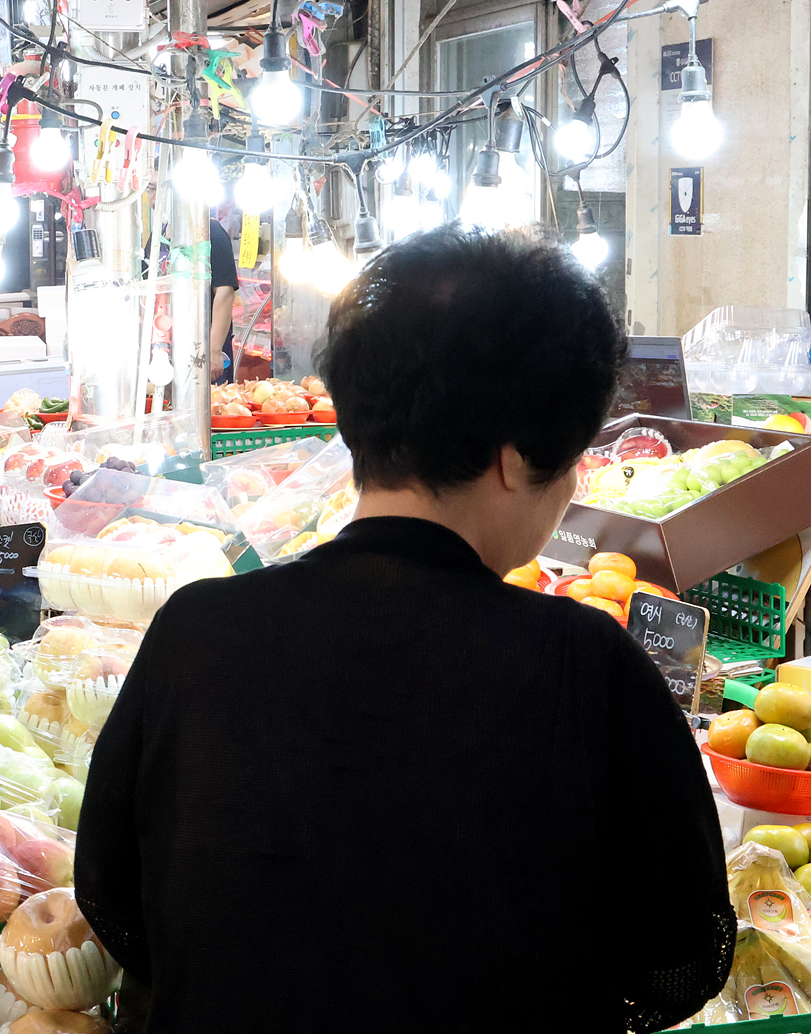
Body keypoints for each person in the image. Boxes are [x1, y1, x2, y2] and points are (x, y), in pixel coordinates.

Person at [74, 225, 732, 1033]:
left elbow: (110, 894)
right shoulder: (587, 665)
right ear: (512, 457)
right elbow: (684, 955)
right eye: (571, 457)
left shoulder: (196, 630)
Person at [209, 209, 239, 383]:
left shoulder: (212, 232)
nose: (153, 197)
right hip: (167, 347)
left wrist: (214, 350)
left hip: (206, 346)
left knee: (216, 403)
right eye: (150, 190)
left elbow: (225, 293)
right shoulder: (158, 236)